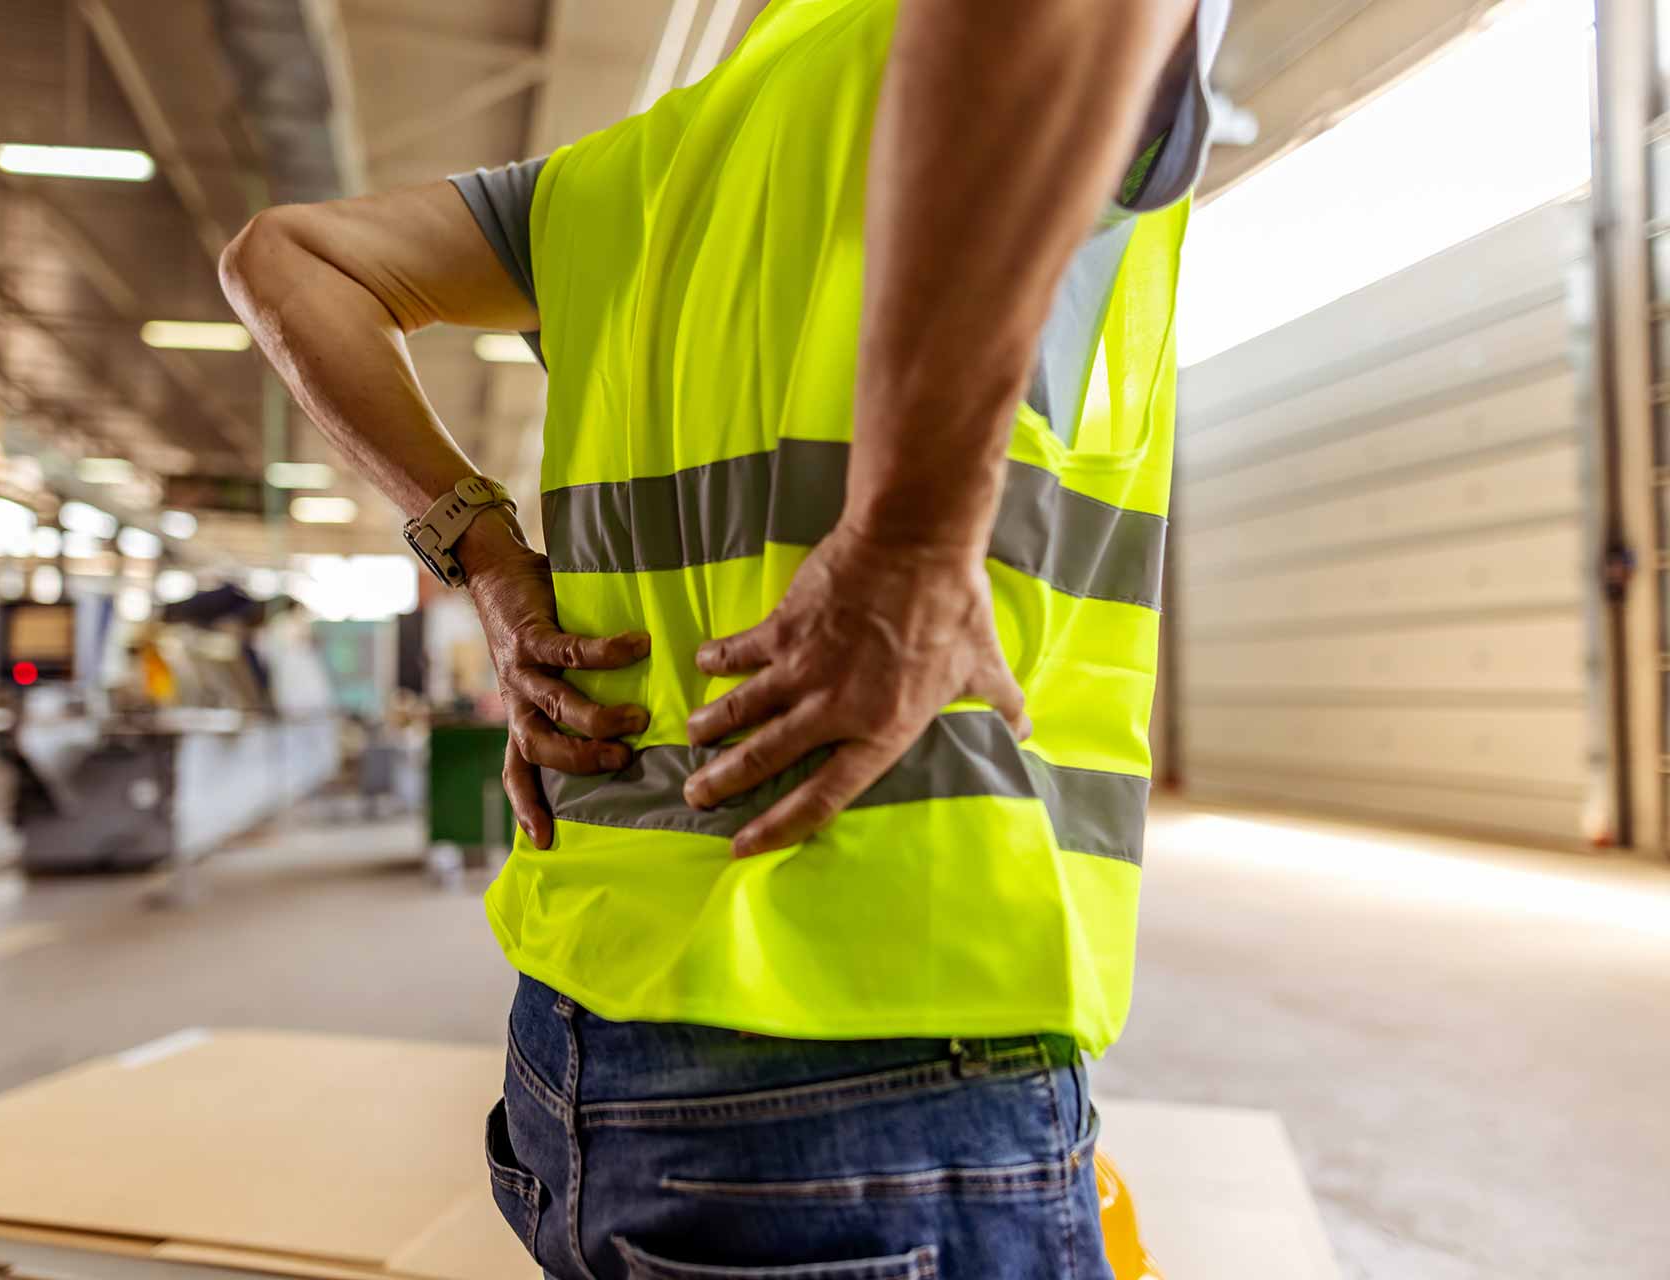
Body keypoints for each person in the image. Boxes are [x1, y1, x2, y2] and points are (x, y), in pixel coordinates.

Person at [222, 0, 1226, 1273]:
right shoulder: (932, 56)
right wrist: (913, 538)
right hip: (885, 1018)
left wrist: (489, 558)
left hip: (576, 1050)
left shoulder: (622, 176)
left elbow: (283, 258)